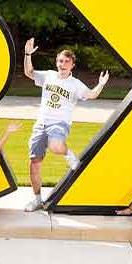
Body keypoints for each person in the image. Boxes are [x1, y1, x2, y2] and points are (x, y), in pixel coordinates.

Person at [23, 39, 109, 211]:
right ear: (56, 62)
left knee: (56, 146)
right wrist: (27, 54)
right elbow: (29, 72)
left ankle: (69, 155)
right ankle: (37, 199)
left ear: (72, 65)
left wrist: (101, 84)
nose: (62, 64)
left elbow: (91, 95)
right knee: (34, 162)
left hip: (60, 123)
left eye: (66, 62)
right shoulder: (48, 75)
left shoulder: (75, 84)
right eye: (60, 61)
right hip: (41, 123)